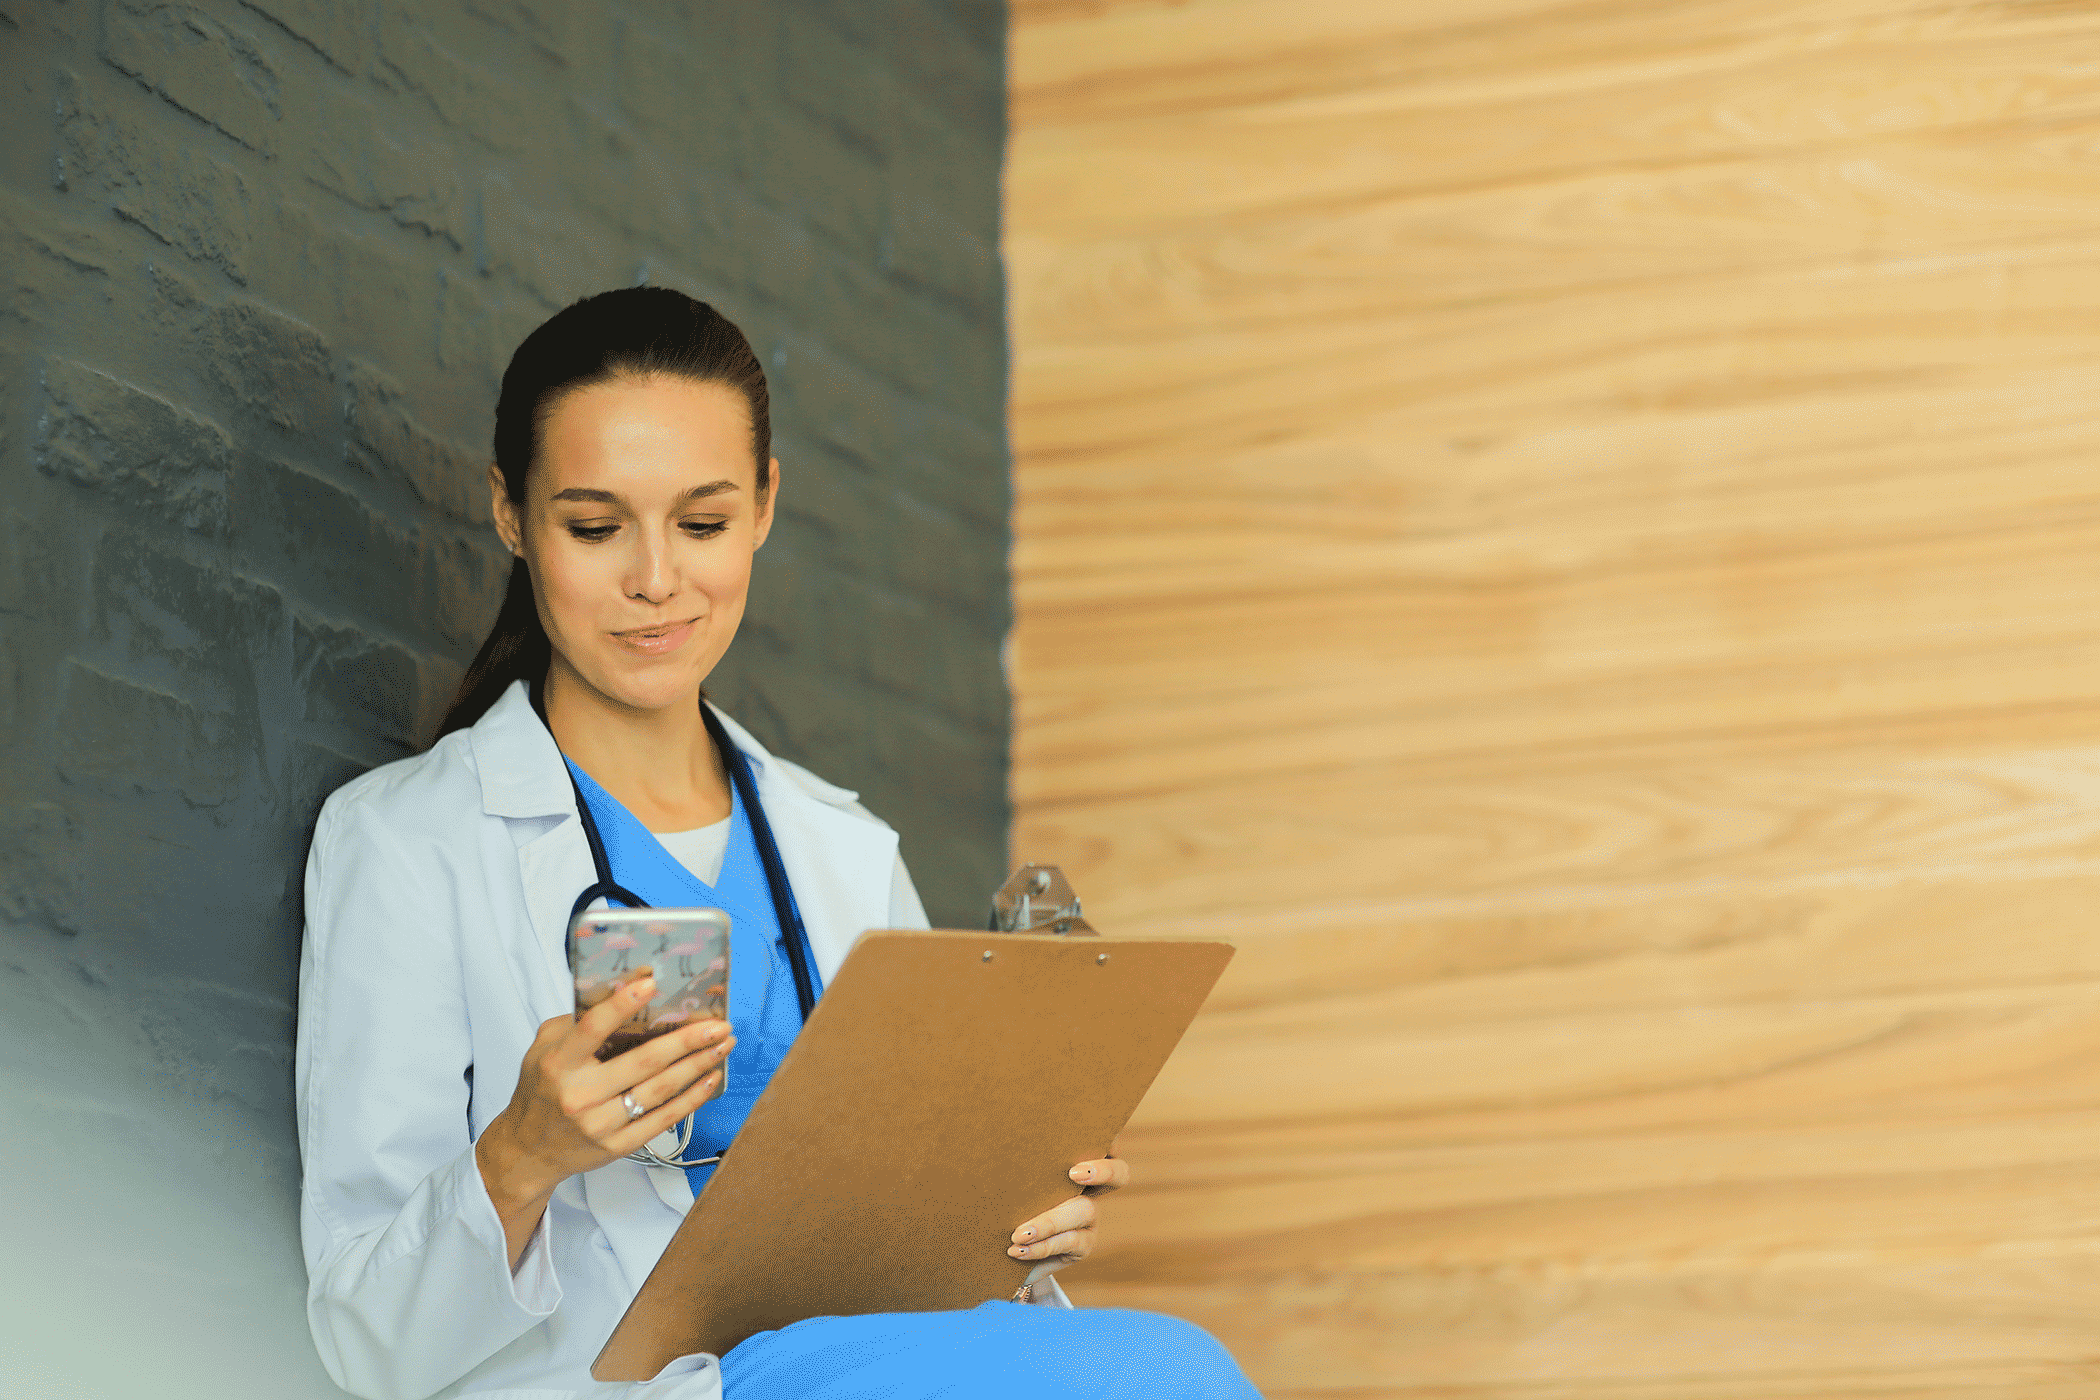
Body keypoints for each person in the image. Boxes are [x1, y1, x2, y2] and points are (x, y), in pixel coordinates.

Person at [295, 287, 1263, 1400]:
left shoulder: (841, 851)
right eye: (595, 525)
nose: (656, 578)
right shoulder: (407, 842)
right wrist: (523, 1153)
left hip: (866, 1367)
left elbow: (930, 1259)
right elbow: (365, 1341)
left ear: (764, 505)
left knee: (1170, 1364)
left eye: (701, 523)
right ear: (511, 514)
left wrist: (1016, 1217)